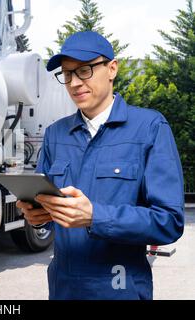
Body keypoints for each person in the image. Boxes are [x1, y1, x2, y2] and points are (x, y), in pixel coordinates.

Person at [16, 31, 185, 300]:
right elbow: (48, 211)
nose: (74, 83)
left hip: (120, 290)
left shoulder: (149, 128)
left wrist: (95, 216)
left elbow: (170, 222)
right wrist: (39, 219)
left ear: (112, 69)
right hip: (63, 289)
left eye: (84, 70)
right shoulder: (55, 135)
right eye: (67, 74)